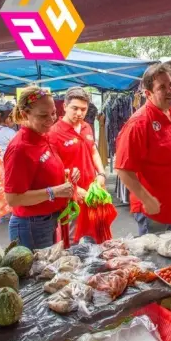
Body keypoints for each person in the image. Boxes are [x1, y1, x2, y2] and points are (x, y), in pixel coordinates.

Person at [115, 63, 171, 310]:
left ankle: (169, 289)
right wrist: (146, 198)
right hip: (154, 209)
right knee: (155, 257)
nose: (170, 91)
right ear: (148, 93)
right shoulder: (139, 123)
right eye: (162, 87)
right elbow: (122, 169)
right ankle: (157, 305)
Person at [3, 87, 79, 250]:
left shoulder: (44, 135)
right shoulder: (20, 148)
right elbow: (13, 198)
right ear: (25, 115)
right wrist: (55, 191)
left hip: (47, 220)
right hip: (31, 226)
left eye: (53, 113)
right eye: (43, 115)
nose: (51, 120)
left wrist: (65, 176)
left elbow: (41, 173)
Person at [49, 87, 107, 243]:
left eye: (83, 109)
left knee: (97, 235)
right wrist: (74, 189)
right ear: (65, 106)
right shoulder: (54, 133)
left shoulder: (87, 126)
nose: (79, 113)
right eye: (75, 108)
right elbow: (52, 171)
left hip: (93, 192)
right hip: (72, 197)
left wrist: (101, 174)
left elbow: (93, 150)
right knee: (75, 240)